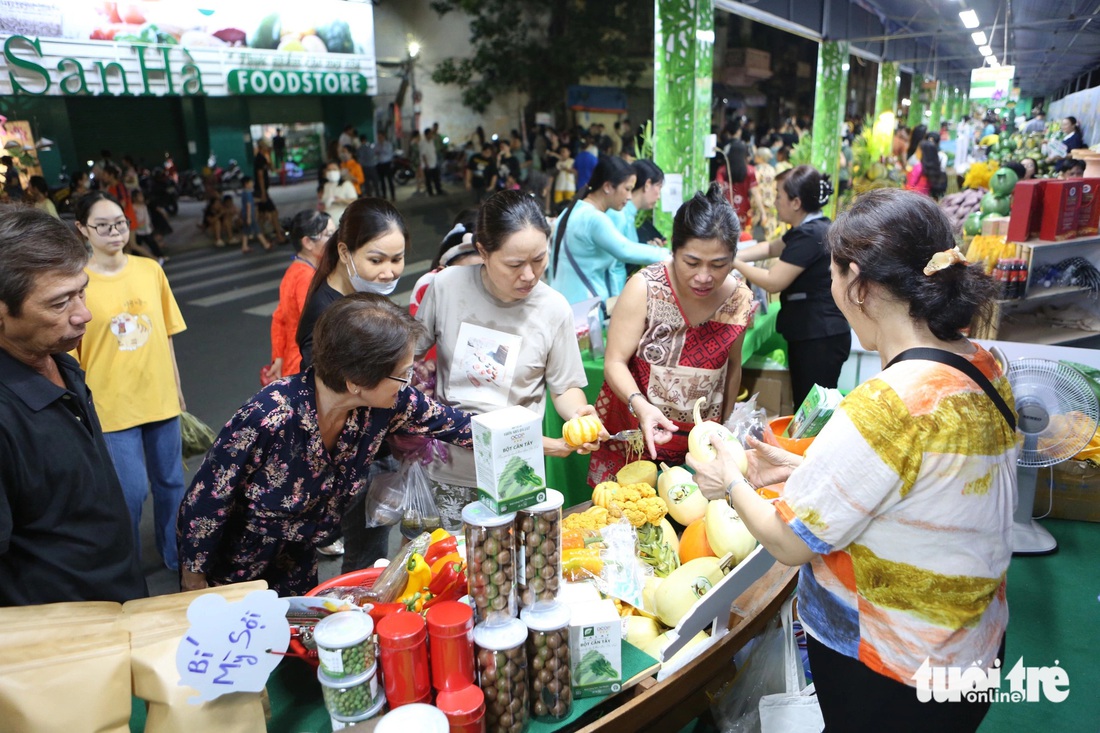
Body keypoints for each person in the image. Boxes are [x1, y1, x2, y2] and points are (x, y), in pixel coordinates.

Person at [689, 187, 1015, 733]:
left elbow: (789, 543)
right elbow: (926, 482)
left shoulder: (888, 402)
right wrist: (802, 471)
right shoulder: (984, 361)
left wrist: (729, 480)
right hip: (973, 649)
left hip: (894, 667)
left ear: (857, 282)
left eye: (835, 275)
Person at [178, 294, 474, 597]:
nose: (407, 383)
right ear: (356, 380)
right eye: (402, 374)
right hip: (235, 570)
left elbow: (460, 427)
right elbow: (206, 502)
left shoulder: (390, 404)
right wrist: (194, 582)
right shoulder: (269, 416)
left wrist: (515, 441)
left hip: (299, 561)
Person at [415, 190, 606, 528]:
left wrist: (579, 413)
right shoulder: (446, 287)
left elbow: (564, 388)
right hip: (449, 469)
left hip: (518, 473)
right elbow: (407, 356)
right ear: (483, 252)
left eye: (539, 260)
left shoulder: (553, 308)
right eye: (515, 265)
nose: (530, 275)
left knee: (513, 570)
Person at [0, 206, 147, 605]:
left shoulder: (63, 362)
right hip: (64, 638)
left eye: (81, 291)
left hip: (122, 601)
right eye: (59, 303)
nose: (85, 314)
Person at [588, 186, 755, 481]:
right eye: (691, 262)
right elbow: (614, 361)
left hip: (700, 448)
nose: (704, 276)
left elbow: (732, 368)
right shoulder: (646, 287)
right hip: (638, 436)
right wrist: (640, 406)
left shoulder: (739, 298)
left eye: (718, 265)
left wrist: (725, 429)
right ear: (673, 251)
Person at [72, 192, 188, 573]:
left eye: (120, 223)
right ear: (82, 230)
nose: (114, 232)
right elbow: (70, 353)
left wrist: (177, 386)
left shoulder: (149, 270)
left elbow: (166, 334)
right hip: (110, 404)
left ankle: (176, 556)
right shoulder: (77, 283)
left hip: (159, 397)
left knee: (171, 483)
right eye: (102, 226)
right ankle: (128, 566)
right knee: (131, 493)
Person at [733, 165, 850, 407]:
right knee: (808, 407)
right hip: (816, 332)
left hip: (819, 336)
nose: (775, 202)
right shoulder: (808, 229)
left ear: (796, 202)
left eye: (778, 195)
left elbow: (774, 281)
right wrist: (732, 252)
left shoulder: (810, 234)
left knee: (811, 411)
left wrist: (731, 262)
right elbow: (770, 248)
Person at [297, 197, 408, 370]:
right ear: (344, 252)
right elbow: (329, 389)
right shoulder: (324, 314)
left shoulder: (362, 291)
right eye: (376, 260)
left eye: (397, 259)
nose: (388, 274)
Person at [549, 155, 669, 305]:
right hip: (584, 306)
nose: (630, 197)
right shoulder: (594, 219)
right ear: (607, 187)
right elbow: (624, 249)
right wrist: (668, 255)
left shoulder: (576, 209)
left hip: (569, 300)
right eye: (627, 189)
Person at [265, 210, 334, 384]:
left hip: (291, 360)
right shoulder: (306, 278)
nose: (336, 240)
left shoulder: (295, 270)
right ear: (307, 242)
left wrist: (278, 357)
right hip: (306, 365)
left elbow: (279, 318)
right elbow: (317, 327)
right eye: (329, 235)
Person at [608, 159, 665, 245]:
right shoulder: (619, 214)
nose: (659, 197)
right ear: (647, 185)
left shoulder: (626, 214)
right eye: (659, 187)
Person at [715, 140, 759, 233]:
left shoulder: (722, 170)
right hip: (744, 209)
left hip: (726, 208)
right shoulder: (750, 171)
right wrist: (762, 211)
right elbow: (755, 192)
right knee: (743, 235)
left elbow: (719, 188)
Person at [253, 141, 287, 245]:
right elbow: (260, 176)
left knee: (262, 215)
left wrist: (269, 156)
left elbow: (271, 168)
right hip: (261, 190)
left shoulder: (263, 158)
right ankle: (279, 236)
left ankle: (261, 234)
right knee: (273, 212)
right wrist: (263, 193)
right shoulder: (259, 159)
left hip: (263, 190)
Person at [239, 177, 272, 253]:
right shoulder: (248, 193)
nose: (252, 184)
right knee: (257, 230)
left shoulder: (244, 193)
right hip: (250, 215)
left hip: (245, 214)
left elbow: (250, 202)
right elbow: (248, 205)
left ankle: (244, 246)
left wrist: (259, 200)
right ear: (246, 184)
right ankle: (266, 244)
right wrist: (249, 217)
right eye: (251, 182)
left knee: (246, 231)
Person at [422, 128, 444, 196]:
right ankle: (430, 192)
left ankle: (438, 190)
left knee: (436, 178)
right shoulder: (423, 143)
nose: (431, 135)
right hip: (428, 164)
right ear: (427, 134)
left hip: (434, 163)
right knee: (428, 180)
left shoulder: (432, 142)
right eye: (430, 133)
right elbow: (423, 155)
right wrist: (426, 164)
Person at [375, 132, 397, 201]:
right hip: (380, 164)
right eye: (378, 137)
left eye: (380, 137)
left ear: (383, 137)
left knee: (390, 180)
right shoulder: (377, 145)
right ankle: (384, 196)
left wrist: (381, 149)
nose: (379, 139)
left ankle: (393, 196)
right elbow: (375, 152)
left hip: (387, 163)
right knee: (382, 181)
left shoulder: (388, 144)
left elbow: (388, 152)